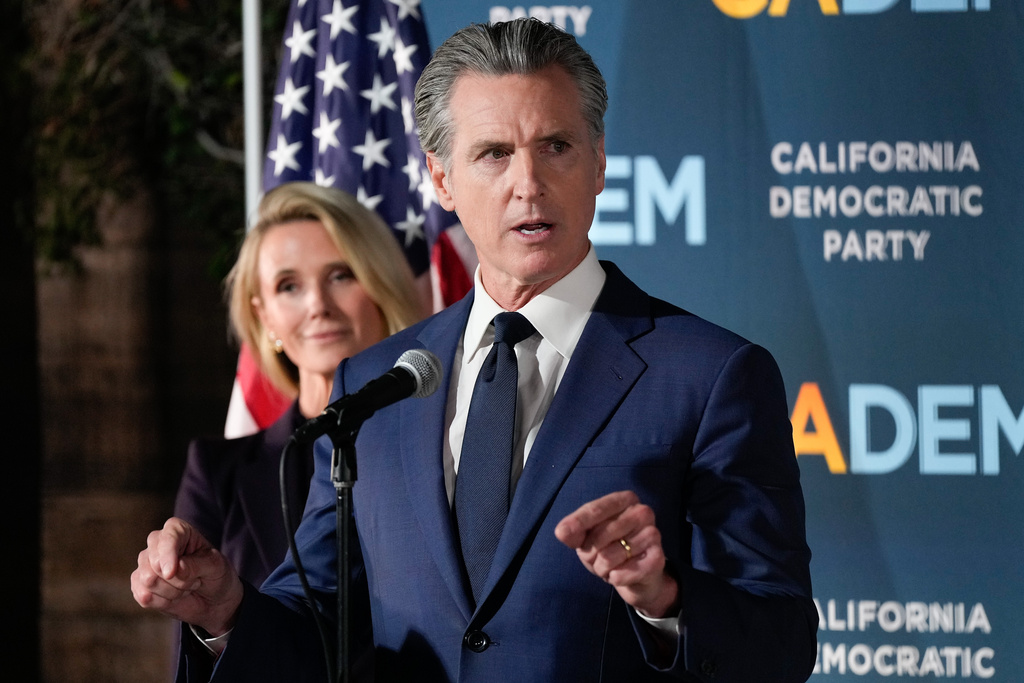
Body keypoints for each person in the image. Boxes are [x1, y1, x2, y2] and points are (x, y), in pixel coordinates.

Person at [132, 18, 818, 682]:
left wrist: (662, 597)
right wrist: (223, 607)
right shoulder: (374, 386)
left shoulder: (709, 375)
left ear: (600, 160)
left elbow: (781, 642)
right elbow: (319, 631)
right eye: (494, 153)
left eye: (556, 146)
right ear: (441, 178)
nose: (529, 183)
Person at [174, 181, 425, 588]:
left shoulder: (447, 445)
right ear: (265, 316)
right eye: (289, 286)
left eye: (341, 275)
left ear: (382, 287)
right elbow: (197, 643)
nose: (318, 306)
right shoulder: (216, 473)